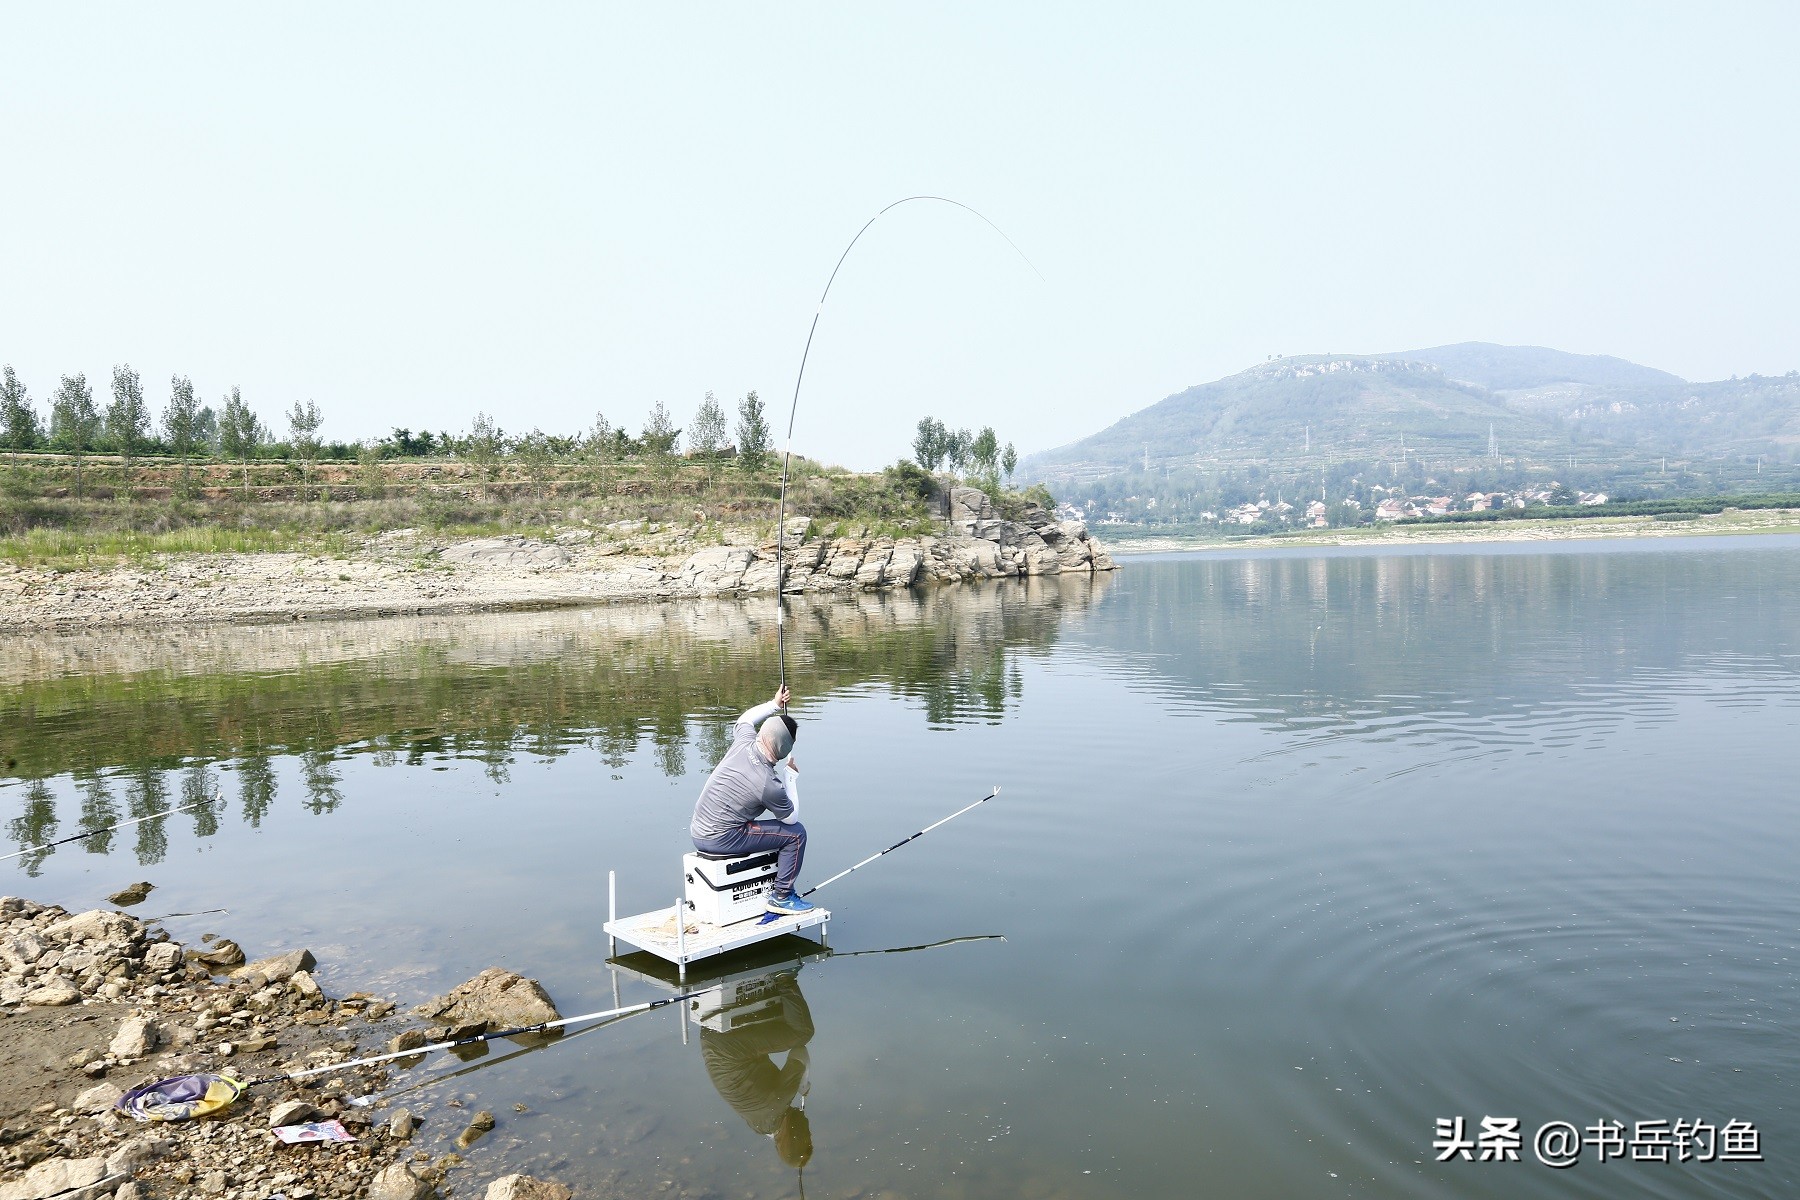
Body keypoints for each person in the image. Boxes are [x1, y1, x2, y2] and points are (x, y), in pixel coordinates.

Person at [691, 684, 815, 914]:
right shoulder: (768, 783)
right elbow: (791, 819)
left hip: (698, 831)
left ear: (764, 733)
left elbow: (744, 719)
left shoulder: (744, 742)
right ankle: (782, 896)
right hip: (721, 838)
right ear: (783, 749)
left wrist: (774, 705)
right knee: (797, 835)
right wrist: (791, 777)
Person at [699, 967, 815, 1171]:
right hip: (711, 1040)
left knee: (802, 1032)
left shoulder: (778, 1105)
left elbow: (799, 1052)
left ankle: (784, 978)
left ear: (798, 1134)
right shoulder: (761, 1126)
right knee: (782, 1017)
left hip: (727, 1045)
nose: (810, 1130)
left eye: (808, 1134)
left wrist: (803, 1082)